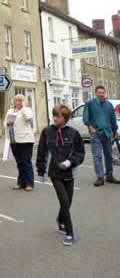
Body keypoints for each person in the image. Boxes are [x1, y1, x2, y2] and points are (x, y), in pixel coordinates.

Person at [36, 104, 85, 246]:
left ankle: (60, 219)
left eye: (58, 116)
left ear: (65, 118)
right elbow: (42, 151)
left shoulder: (73, 133)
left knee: (67, 202)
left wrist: (70, 162)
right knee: (64, 201)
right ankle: (70, 233)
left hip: (70, 171)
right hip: (55, 172)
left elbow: (80, 152)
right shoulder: (47, 132)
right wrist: (41, 170)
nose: (55, 118)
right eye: (54, 115)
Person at [83, 85, 120, 186]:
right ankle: (100, 177)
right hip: (96, 134)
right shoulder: (90, 103)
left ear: (105, 93)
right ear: (96, 93)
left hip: (107, 133)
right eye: (99, 93)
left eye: (103, 93)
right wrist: (91, 128)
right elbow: (86, 118)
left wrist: (115, 132)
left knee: (108, 155)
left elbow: (113, 119)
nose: (101, 95)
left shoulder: (109, 105)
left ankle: (109, 175)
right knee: (97, 156)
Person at [5, 94, 35, 191]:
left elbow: (29, 118)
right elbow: (5, 122)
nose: (18, 102)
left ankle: (29, 183)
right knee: (19, 163)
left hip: (25, 140)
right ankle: (20, 183)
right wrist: (7, 123)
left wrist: (24, 107)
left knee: (26, 162)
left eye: (20, 100)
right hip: (14, 140)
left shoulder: (27, 110)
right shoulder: (10, 111)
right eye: (16, 100)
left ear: (23, 101)